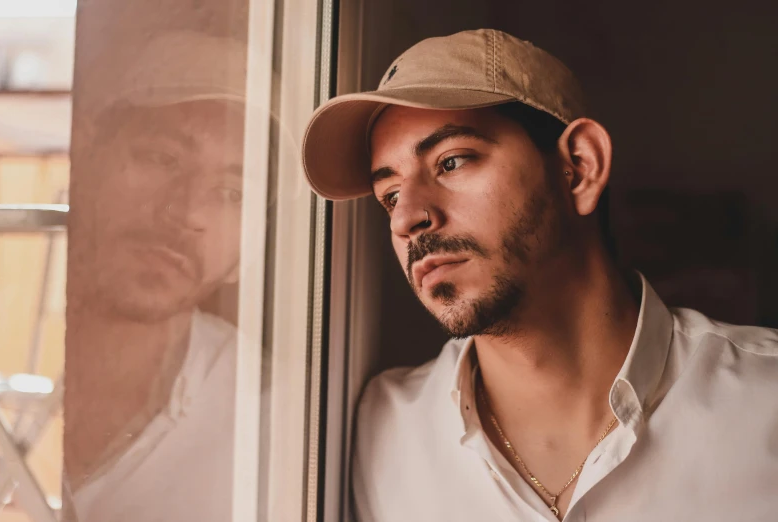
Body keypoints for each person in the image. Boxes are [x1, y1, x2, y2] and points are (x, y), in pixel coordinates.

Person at [302, 29, 778, 522]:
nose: (407, 219)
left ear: (579, 166)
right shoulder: (380, 433)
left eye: (452, 161)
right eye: (391, 196)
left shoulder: (766, 405)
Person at [63, 31, 247, 522]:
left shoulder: (277, 418)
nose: (185, 210)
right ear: (83, 159)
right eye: (162, 157)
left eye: (232, 191)